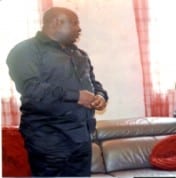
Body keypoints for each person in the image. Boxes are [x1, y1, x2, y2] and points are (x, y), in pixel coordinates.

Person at [6, 7, 108, 177]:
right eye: (74, 23)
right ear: (56, 22)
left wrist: (101, 96)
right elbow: (30, 87)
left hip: (82, 136)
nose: (79, 28)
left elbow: (94, 83)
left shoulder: (79, 54)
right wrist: (77, 96)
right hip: (48, 138)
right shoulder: (25, 50)